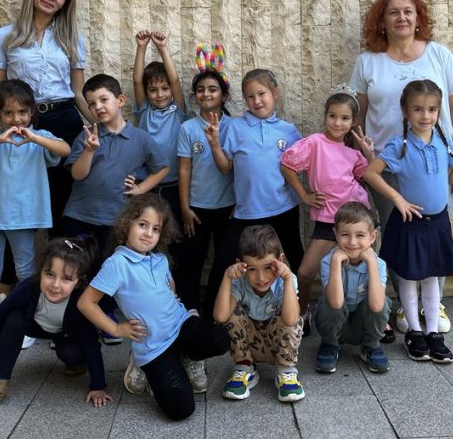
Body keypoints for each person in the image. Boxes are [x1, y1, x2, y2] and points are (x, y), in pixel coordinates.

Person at [350, 0, 453, 339]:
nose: (401, 18)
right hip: (388, 167)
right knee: (399, 236)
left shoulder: (439, 55)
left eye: (408, 11)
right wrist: (361, 155)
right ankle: (403, 303)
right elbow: (358, 114)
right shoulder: (368, 61)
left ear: (418, 18)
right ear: (382, 20)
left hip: (434, 164)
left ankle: (434, 303)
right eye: (393, 12)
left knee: (433, 233)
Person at [362, 79, 453, 364]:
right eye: (418, 109)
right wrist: (397, 198)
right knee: (409, 277)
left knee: (432, 276)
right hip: (411, 222)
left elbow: (451, 176)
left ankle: (433, 332)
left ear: (438, 111)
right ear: (405, 111)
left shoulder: (442, 143)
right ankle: (414, 332)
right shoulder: (400, 146)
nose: (425, 115)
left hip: (437, 222)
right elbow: (371, 173)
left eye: (432, 109)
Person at [78, 194, 231, 421]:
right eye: (143, 225)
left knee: (220, 339)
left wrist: (172, 297)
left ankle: (187, 356)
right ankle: (143, 369)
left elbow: (169, 283)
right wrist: (116, 329)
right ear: (127, 224)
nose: (149, 233)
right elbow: (85, 302)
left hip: (180, 324)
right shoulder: (117, 264)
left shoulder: (159, 259)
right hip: (153, 346)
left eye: (156, 229)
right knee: (181, 410)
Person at [0, 79, 71, 352]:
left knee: (25, 271)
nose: (16, 119)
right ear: (0, 114)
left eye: (22, 112)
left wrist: (34, 137)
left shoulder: (40, 138)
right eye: (8, 113)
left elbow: (64, 150)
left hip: (25, 217)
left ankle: (24, 322)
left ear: (32, 111)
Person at [0, 0, 90, 233]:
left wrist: (104, 126)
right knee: (16, 199)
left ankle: (61, 258)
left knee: (62, 202)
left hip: (64, 121)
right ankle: (13, 261)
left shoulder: (72, 39)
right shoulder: (4, 37)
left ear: (65, 3)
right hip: (22, 122)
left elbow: (77, 92)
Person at [61, 74, 169, 344]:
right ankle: (69, 323)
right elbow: (76, 174)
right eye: (91, 103)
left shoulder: (140, 139)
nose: (98, 107)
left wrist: (141, 189)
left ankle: (107, 319)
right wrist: (89, 150)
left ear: (120, 100)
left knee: (107, 270)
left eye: (103, 100)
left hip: (115, 219)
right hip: (79, 216)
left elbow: (163, 167)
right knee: (74, 268)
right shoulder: (86, 135)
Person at [0, 236, 111, 416]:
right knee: (14, 318)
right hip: (33, 326)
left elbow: (91, 344)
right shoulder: (29, 287)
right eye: (49, 274)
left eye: (66, 279)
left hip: (65, 334)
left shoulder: (80, 303)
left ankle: (77, 363)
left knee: (73, 354)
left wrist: (98, 386)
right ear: (41, 271)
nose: (55, 285)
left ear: (78, 283)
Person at [280, 85, 374, 335]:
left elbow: (368, 176)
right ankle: (302, 312)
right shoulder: (314, 143)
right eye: (333, 116)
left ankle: (371, 316)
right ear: (325, 116)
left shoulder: (352, 153)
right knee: (304, 272)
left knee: (364, 271)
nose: (337, 122)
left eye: (344, 118)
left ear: (353, 122)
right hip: (326, 221)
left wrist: (368, 154)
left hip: (355, 220)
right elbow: (287, 165)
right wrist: (304, 195)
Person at [205, 68, 304, 276]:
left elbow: (302, 165)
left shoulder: (288, 130)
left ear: (274, 93)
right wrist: (214, 144)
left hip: (284, 206)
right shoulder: (235, 127)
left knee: (296, 256)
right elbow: (225, 168)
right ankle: (216, 299)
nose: (257, 101)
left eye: (262, 94)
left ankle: (301, 298)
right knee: (225, 261)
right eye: (250, 96)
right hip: (248, 211)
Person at [213, 225, 305, 403]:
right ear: (240, 264)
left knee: (290, 313)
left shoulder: (285, 280)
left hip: (277, 345)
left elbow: (291, 319)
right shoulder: (239, 281)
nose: (261, 278)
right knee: (231, 311)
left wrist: (287, 279)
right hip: (249, 343)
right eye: (252, 269)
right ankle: (245, 367)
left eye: (268, 267)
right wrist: (227, 277)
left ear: (280, 260)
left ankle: (286, 370)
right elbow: (220, 316)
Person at [176, 44, 236, 316]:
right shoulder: (188, 128)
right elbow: (184, 170)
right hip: (197, 209)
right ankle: (189, 311)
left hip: (228, 207)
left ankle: (215, 312)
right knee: (192, 261)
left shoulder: (234, 127)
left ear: (224, 95)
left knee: (223, 262)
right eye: (200, 90)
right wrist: (185, 207)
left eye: (212, 89)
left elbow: (236, 170)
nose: (206, 94)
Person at [313, 202, 390, 375]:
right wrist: (335, 261)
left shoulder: (378, 264)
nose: (352, 242)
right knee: (327, 302)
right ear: (336, 234)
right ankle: (330, 344)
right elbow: (335, 303)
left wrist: (371, 263)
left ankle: (371, 345)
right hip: (337, 326)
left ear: (372, 237)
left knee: (383, 301)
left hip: (363, 326)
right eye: (345, 235)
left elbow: (377, 306)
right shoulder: (328, 261)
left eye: (360, 235)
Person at [133, 30, 189, 222]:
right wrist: (141, 48)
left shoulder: (178, 110)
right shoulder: (144, 110)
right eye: (153, 90)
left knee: (174, 230)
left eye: (165, 89)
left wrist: (162, 47)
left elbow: (175, 80)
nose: (160, 94)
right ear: (147, 93)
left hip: (174, 184)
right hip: (146, 183)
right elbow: (137, 81)